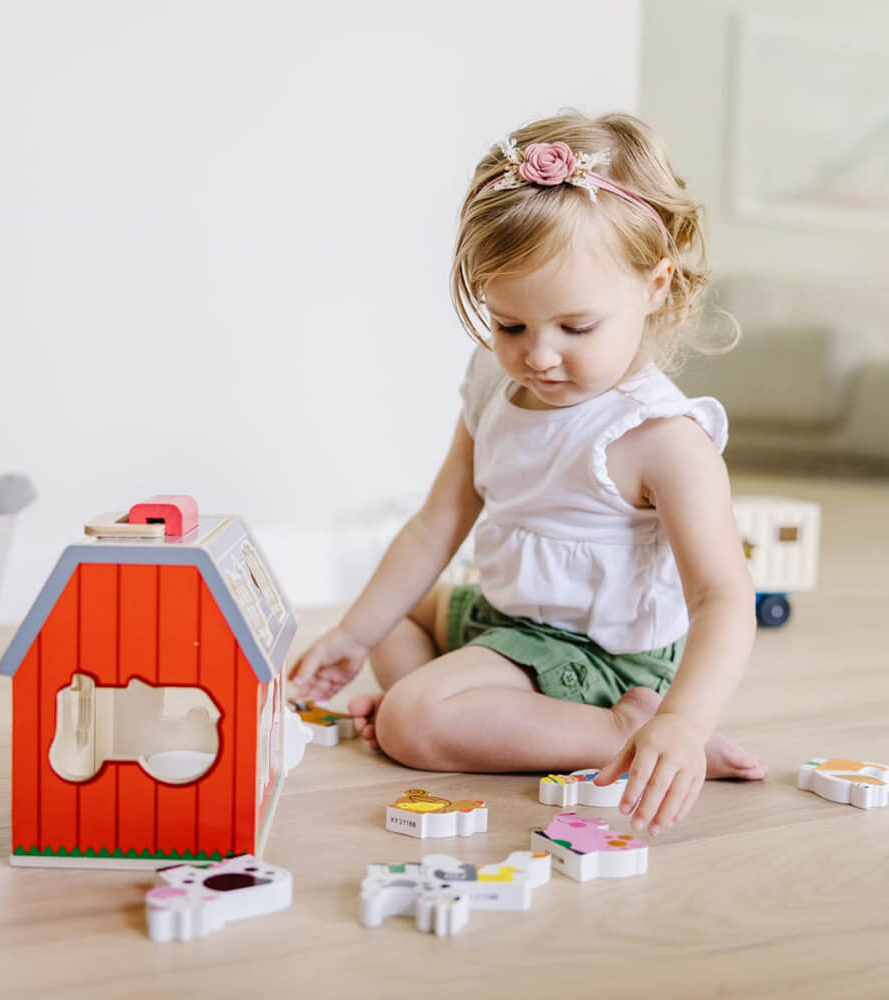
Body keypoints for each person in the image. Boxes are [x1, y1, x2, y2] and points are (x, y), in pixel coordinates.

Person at [290, 111, 767, 837]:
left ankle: (623, 733)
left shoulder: (660, 436)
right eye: (510, 325)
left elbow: (722, 595)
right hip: (513, 619)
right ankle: (492, 712)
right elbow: (436, 524)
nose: (538, 356)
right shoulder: (492, 384)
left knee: (408, 720)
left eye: (575, 328)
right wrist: (354, 633)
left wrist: (681, 720)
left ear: (655, 286)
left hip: (604, 657)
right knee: (396, 616)